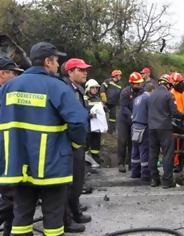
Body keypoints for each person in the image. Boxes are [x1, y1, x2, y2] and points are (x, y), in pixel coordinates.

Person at [0, 42, 88, 236]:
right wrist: (74, 144)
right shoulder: (56, 86)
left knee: (21, 217)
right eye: (56, 61)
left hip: (17, 167)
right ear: (48, 62)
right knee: (54, 219)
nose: (58, 66)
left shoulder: (9, 87)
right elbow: (79, 121)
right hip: (51, 166)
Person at [63, 58, 92, 232]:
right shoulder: (65, 89)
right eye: (80, 70)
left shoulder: (79, 89)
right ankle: (67, 218)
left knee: (78, 180)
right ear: (70, 72)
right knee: (69, 182)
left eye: (84, 70)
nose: (85, 72)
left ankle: (75, 211)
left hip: (79, 142)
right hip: (70, 143)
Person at [148, 74, 184, 188]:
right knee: (167, 155)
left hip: (152, 128)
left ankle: (154, 180)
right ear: (168, 84)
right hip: (164, 128)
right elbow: (175, 113)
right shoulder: (167, 95)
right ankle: (167, 181)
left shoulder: (151, 94)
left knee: (153, 154)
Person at [0, 57, 23, 236]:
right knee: (11, 198)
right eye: (14, 73)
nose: (16, 77)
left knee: (13, 199)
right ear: (3, 73)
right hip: (4, 157)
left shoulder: (7, 94)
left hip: (8, 154)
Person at [117, 72, 144, 173]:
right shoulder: (125, 92)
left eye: (140, 83)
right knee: (122, 141)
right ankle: (121, 163)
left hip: (135, 119)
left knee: (132, 142)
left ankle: (131, 163)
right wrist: (132, 115)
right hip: (124, 120)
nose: (139, 85)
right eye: (137, 83)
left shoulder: (142, 92)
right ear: (132, 84)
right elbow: (123, 107)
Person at [130, 83, 155, 183]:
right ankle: (145, 174)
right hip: (144, 127)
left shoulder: (137, 99)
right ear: (152, 90)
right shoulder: (148, 99)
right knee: (145, 151)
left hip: (134, 126)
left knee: (135, 150)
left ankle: (135, 172)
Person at [84, 79, 103, 165]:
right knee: (87, 141)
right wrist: (90, 115)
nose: (95, 89)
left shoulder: (98, 98)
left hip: (96, 125)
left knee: (96, 141)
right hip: (87, 125)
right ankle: (86, 160)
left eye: (96, 88)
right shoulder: (84, 98)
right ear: (88, 88)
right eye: (93, 88)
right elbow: (82, 111)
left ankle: (95, 157)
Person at [100, 69, 122, 134]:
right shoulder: (108, 81)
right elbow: (102, 88)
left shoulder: (120, 85)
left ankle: (110, 131)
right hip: (105, 102)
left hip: (113, 104)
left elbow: (120, 94)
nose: (120, 77)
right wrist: (103, 96)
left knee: (113, 118)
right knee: (102, 115)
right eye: (119, 75)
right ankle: (101, 130)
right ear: (115, 76)